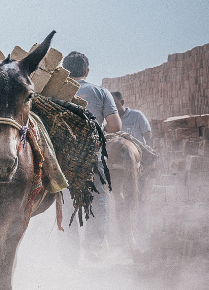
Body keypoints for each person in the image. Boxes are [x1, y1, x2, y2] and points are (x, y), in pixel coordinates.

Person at [61, 51, 119, 261]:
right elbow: (115, 125)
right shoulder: (101, 92)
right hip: (92, 155)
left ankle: (69, 251)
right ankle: (94, 247)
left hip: (64, 158)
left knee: (67, 202)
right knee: (98, 198)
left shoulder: (56, 92)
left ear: (64, 71)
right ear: (87, 71)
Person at [112, 91, 158, 166]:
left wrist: (148, 158)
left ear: (122, 102)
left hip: (138, 156)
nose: (112, 107)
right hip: (118, 158)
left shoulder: (137, 116)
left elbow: (148, 136)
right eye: (110, 105)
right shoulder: (109, 121)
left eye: (115, 104)